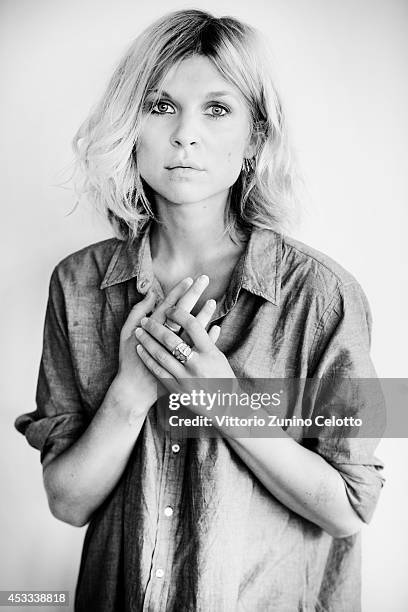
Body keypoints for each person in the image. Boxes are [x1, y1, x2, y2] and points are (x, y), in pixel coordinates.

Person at [15, 9, 385, 611]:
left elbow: (351, 506)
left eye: (217, 108)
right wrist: (130, 392)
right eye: (161, 106)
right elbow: (68, 502)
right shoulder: (77, 284)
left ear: (255, 138)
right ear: (130, 125)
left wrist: (226, 401)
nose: (185, 134)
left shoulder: (327, 296)